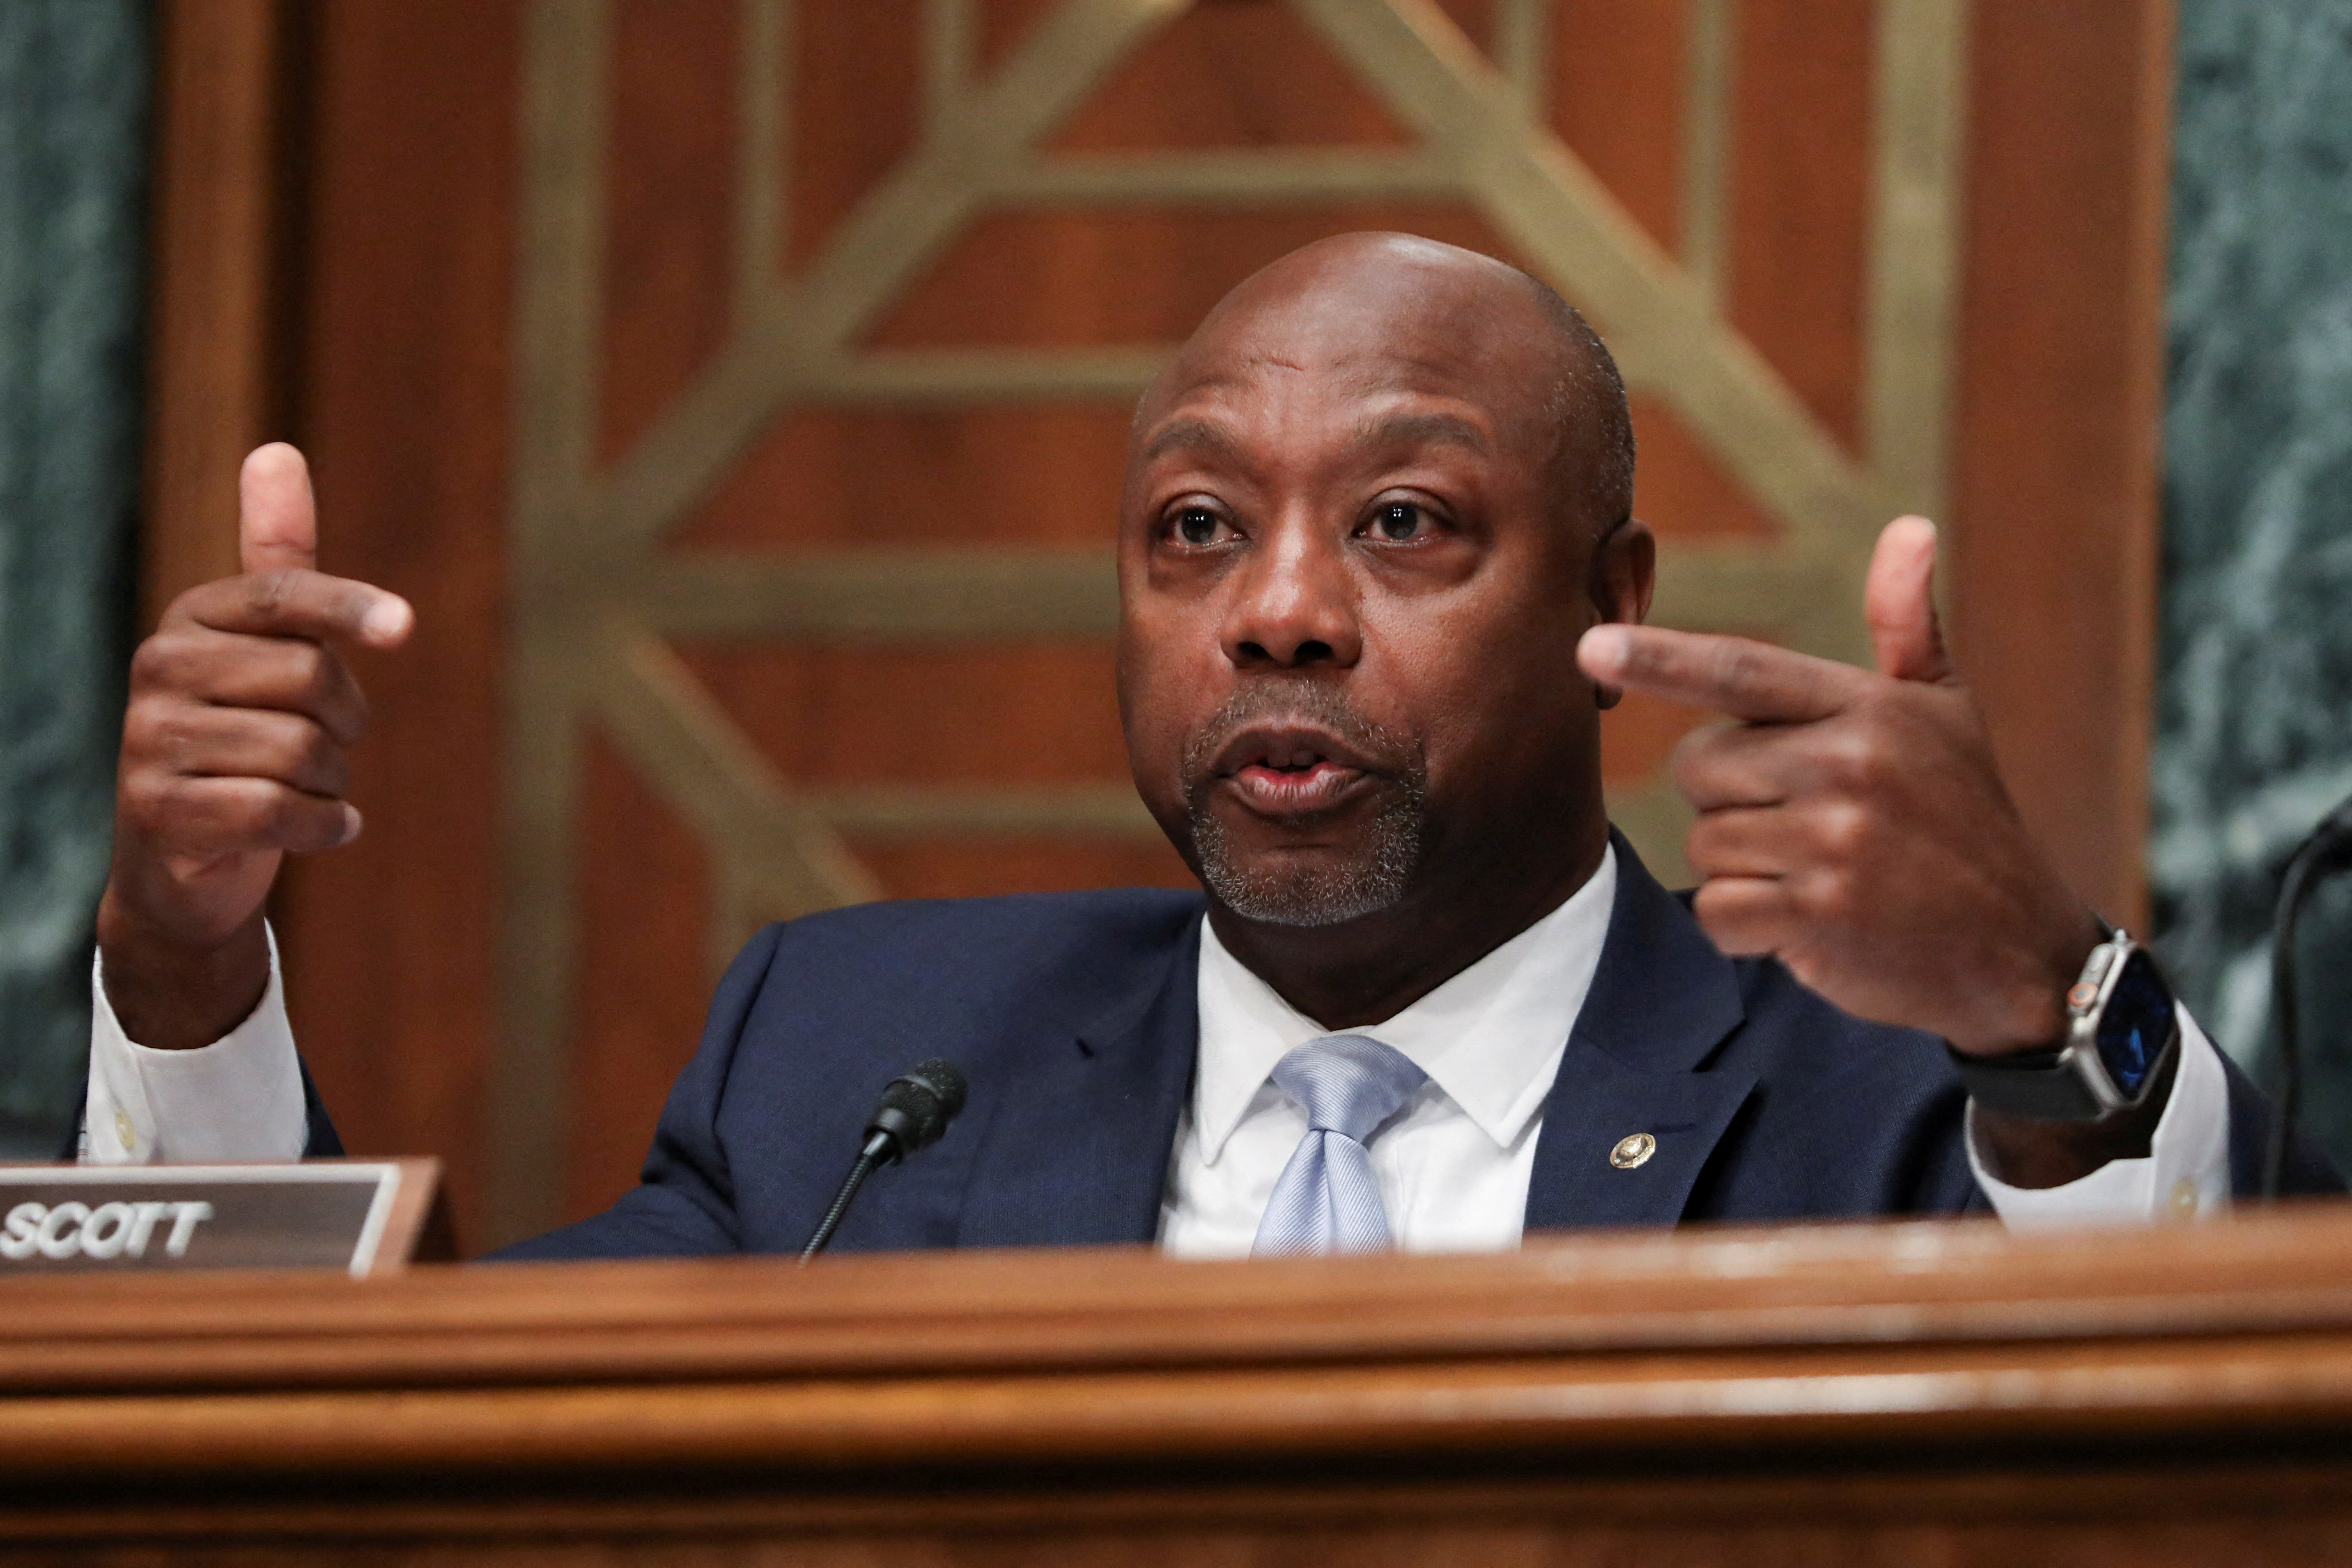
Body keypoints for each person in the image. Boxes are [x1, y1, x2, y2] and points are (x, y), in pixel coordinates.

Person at [79, 234, 2339, 1257]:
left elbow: (2223, 1447)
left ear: (1610, 612)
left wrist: (2049, 1015)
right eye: (1191, 526)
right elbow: (411, 1458)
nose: (1274, 605)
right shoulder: (856, 1062)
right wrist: (188, 962)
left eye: (1405, 523)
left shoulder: (1873, 1089)